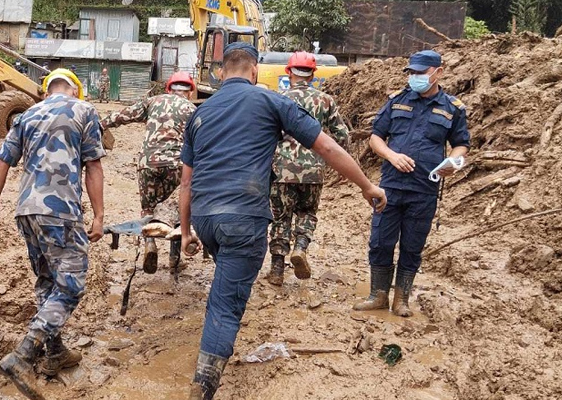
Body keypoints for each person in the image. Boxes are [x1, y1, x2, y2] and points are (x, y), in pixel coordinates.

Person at [178, 42, 386, 399]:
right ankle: (204, 385)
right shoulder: (270, 101)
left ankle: (214, 344)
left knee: (225, 281)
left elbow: (186, 181)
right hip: (243, 217)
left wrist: (185, 233)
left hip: (204, 219)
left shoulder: (200, 112)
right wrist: (366, 185)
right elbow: (328, 147)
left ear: (221, 72)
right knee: (224, 305)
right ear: (255, 71)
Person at [0, 68, 105, 400]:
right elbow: (93, 166)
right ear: (75, 90)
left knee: (48, 281)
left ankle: (55, 353)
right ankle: (23, 355)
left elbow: (1, 163)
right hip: (60, 211)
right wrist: (100, 214)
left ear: (46, 92)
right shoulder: (84, 110)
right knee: (71, 285)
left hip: (26, 212)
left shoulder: (27, 114)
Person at [353, 50, 469, 317]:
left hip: (424, 189)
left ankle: (401, 299)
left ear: (438, 72)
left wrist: (453, 163)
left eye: (421, 73)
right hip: (390, 187)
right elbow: (375, 138)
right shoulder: (397, 101)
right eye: (412, 73)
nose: (415, 77)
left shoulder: (453, 108)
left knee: (412, 245)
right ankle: (378, 295)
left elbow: (461, 145)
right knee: (381, 241)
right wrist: (392, 156)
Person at [264, 51, 351, 286]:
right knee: (307, 213)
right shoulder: (325, 101)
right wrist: (337, 165)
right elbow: (342, 135)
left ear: (288, 72)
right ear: (313, 75)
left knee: (281, 218)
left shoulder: (278, 99)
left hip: (282, 170)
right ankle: (300, 249)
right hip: (313, 171)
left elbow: (266, 136)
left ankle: (277, 270)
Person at [101, 71, 197, 273]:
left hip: (148, 164)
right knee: (178, 209)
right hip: (178, 165)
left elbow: (124, 116)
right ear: (190, 92)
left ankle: (150, 245)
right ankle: (174, 259)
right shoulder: (192, 109)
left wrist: (101, 124)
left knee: (148, 209)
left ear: (169, 88)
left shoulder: (153, 101)